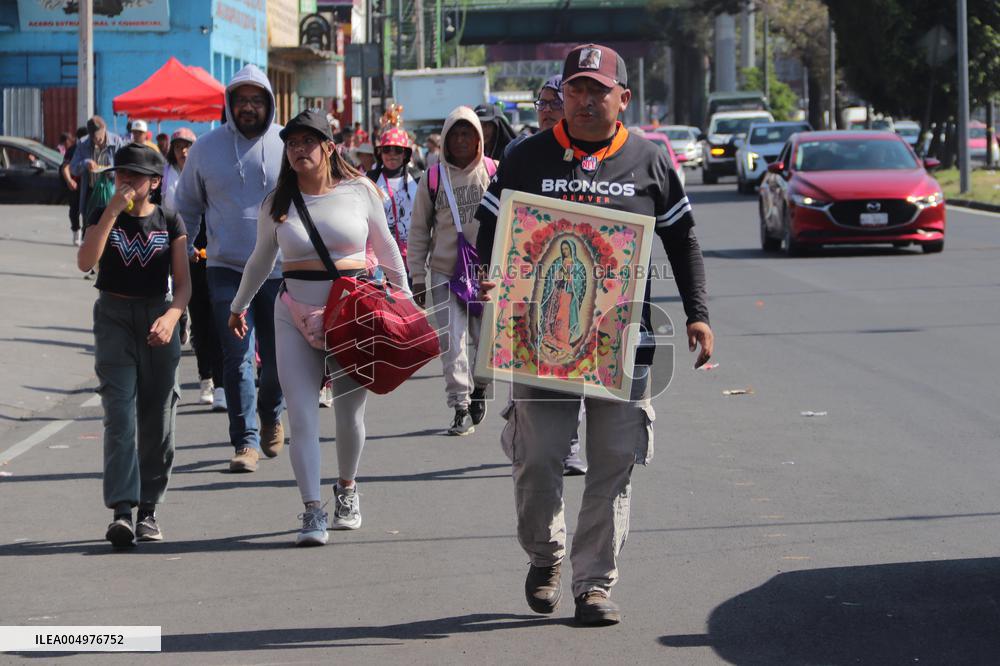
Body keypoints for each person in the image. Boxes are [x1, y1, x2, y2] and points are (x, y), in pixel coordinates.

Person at [475, 43, 713, 625]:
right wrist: (492, 278)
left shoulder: (651, 161)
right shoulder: (526, 157)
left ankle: (594, 584)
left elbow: (681, 241)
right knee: (538, 462)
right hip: (539, 345)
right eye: (575, 89)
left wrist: (697, 313)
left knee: (611, 465)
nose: (585, 100)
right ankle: (546, 553)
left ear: (622, 99)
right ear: (561, 95)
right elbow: (488, 226)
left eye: (598, 91)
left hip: (623, 343)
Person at [227, 109, 410, 545]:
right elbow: (260, 261)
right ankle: (312, 510)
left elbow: (385, 248)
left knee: (349, 414)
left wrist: (403, 299)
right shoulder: (277, 203)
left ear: (330, 147)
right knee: (303, 416)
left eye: (308, 141)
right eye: (291, 143)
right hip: (294, 314)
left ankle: (346, 488)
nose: (298, 149)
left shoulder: (360, 191)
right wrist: (238, 307)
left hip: (353, 317)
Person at [76, 143, 191, 548]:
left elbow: (183, 285)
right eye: (120, 174)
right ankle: (122, 511)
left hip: (157, 319)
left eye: (134, 176)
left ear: (155, 183)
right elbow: (86, 261)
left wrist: (172, 317)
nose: (124, 181)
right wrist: (110, 211)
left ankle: (149, 509)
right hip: (113, 319)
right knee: (120, 414)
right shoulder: (103, 214)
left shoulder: (170, 221)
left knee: (158, 419)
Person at [174, 64, 286, 473]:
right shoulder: (205, 149)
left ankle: (272, 413)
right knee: (236, 356)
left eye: (257, 100)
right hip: (226, 269)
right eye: (242, 100)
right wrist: (180, 255)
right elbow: (186, 206)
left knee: (276, 361)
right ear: (230, 104)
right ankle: (245, 442)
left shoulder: (286, 144)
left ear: (269, 103)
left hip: (280, 271)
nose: (249, 108)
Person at [408, 107, 494, 436]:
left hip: (486, 274)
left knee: (485, 341)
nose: (460, 140)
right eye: (454, 134)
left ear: (479, 138)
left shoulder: (492, 172)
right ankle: (459, 403)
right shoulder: (432, 178)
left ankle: (481, 388)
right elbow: (418, 229)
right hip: (444, 272)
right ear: (444, 139)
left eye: (467, 133)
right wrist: (417, 275)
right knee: (452, 342)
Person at [162, 128, 225, 410]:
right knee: (199, 315)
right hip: (183, 250)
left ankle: (222, 383)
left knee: (219, 316)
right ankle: (206, 378)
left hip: (212, 249)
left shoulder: (208, 171)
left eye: (188, 146)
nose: (183, 152)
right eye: (178, 147)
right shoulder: (166, 177)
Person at [367, 128, 418, 277]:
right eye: (387, 150)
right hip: (378, 258)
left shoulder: (418, 179)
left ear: (405, 154)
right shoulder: (369, 179)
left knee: (408, 299)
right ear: (380, 153)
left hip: (411, 257)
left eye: (397, 150)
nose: (391, 154)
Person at [70, 116, 128, 229]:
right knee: (90, 228)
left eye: (100, 138)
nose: (98, 141)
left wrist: (111, 171)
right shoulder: (83, 144)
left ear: (105, 129)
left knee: (111, 228)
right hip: (90, 193)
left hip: (112, 191)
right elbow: (73, 168)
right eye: (94, 138)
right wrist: (85, 163)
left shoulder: (117, 142)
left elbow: (125, 166)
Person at [61, 126, 88, 246]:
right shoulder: (72, 150)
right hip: (75, 184)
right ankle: (76, 232)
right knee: (75, 209)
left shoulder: (91, 149)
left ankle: (85, 235)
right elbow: (64, 167)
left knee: (88, 210)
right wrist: (69, 181)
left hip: (88, 184)